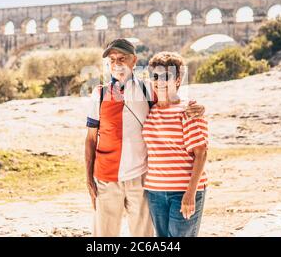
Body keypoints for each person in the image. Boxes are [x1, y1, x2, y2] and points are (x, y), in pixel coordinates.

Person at [84, 38, 205, 237]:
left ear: (134, 61)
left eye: (122, 58)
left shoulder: (148, 89)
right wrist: (89, 179)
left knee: (143, 237)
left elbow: (174, 100)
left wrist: (199, 106)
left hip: (141, 178)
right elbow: (90, 139)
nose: (116, 63)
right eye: (112, 60)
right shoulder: (100, 93)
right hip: (106, 178)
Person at [142, 51, 209, 237]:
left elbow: (201, 153)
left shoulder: (187, 110)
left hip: (183, 191)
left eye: (166, 77)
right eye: (155, 76)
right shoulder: (150, 108)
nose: (159, 81)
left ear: (178, 80)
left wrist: (190, 194)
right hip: (155, 190)